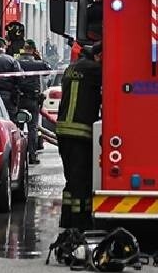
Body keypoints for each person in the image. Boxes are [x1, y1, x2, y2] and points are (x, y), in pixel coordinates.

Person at [57, 42, 103, 230]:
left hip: (63, 131)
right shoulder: (94, 69)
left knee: (71, 178)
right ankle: (80, 222)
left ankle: (67, 219)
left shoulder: (72, 67)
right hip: (80, 132)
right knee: (81, 180)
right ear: (98, 56)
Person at [16, 39, 50, 162]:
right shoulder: (37, 63)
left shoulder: (16, 62)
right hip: (33, 100)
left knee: (18, 128)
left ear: (24, 49)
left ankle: (18, 156)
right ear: (33, 50)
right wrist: (39, 57)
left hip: (19, 100)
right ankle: (32, 155)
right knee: (33, 128)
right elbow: (47, 70)